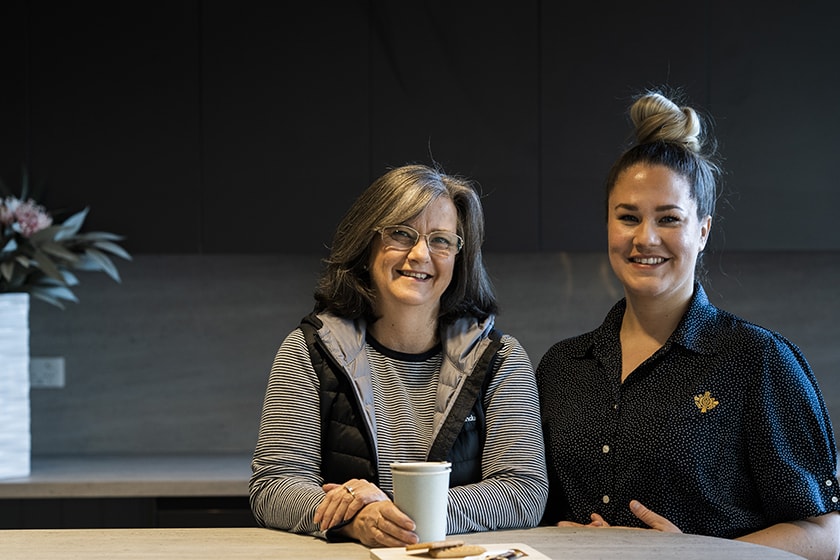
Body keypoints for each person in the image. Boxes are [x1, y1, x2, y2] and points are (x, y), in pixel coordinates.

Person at [536, 90, 840, 560]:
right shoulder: (563, 367)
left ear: (703, 229)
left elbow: (826, 534)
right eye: (628, 218)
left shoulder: (758, 361)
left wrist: (694, 554)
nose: (646, 238)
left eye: (669, 219)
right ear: (608, 225)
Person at [249, 163, 548, 547]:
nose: (420, 254)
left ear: (459, 258)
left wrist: (387, 510)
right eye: (401, 234)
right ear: (367, 244)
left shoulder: (501, 358)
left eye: (441, 240)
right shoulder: (308, 351)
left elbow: (523, 491)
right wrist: (357, 521)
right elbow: (274, 484)